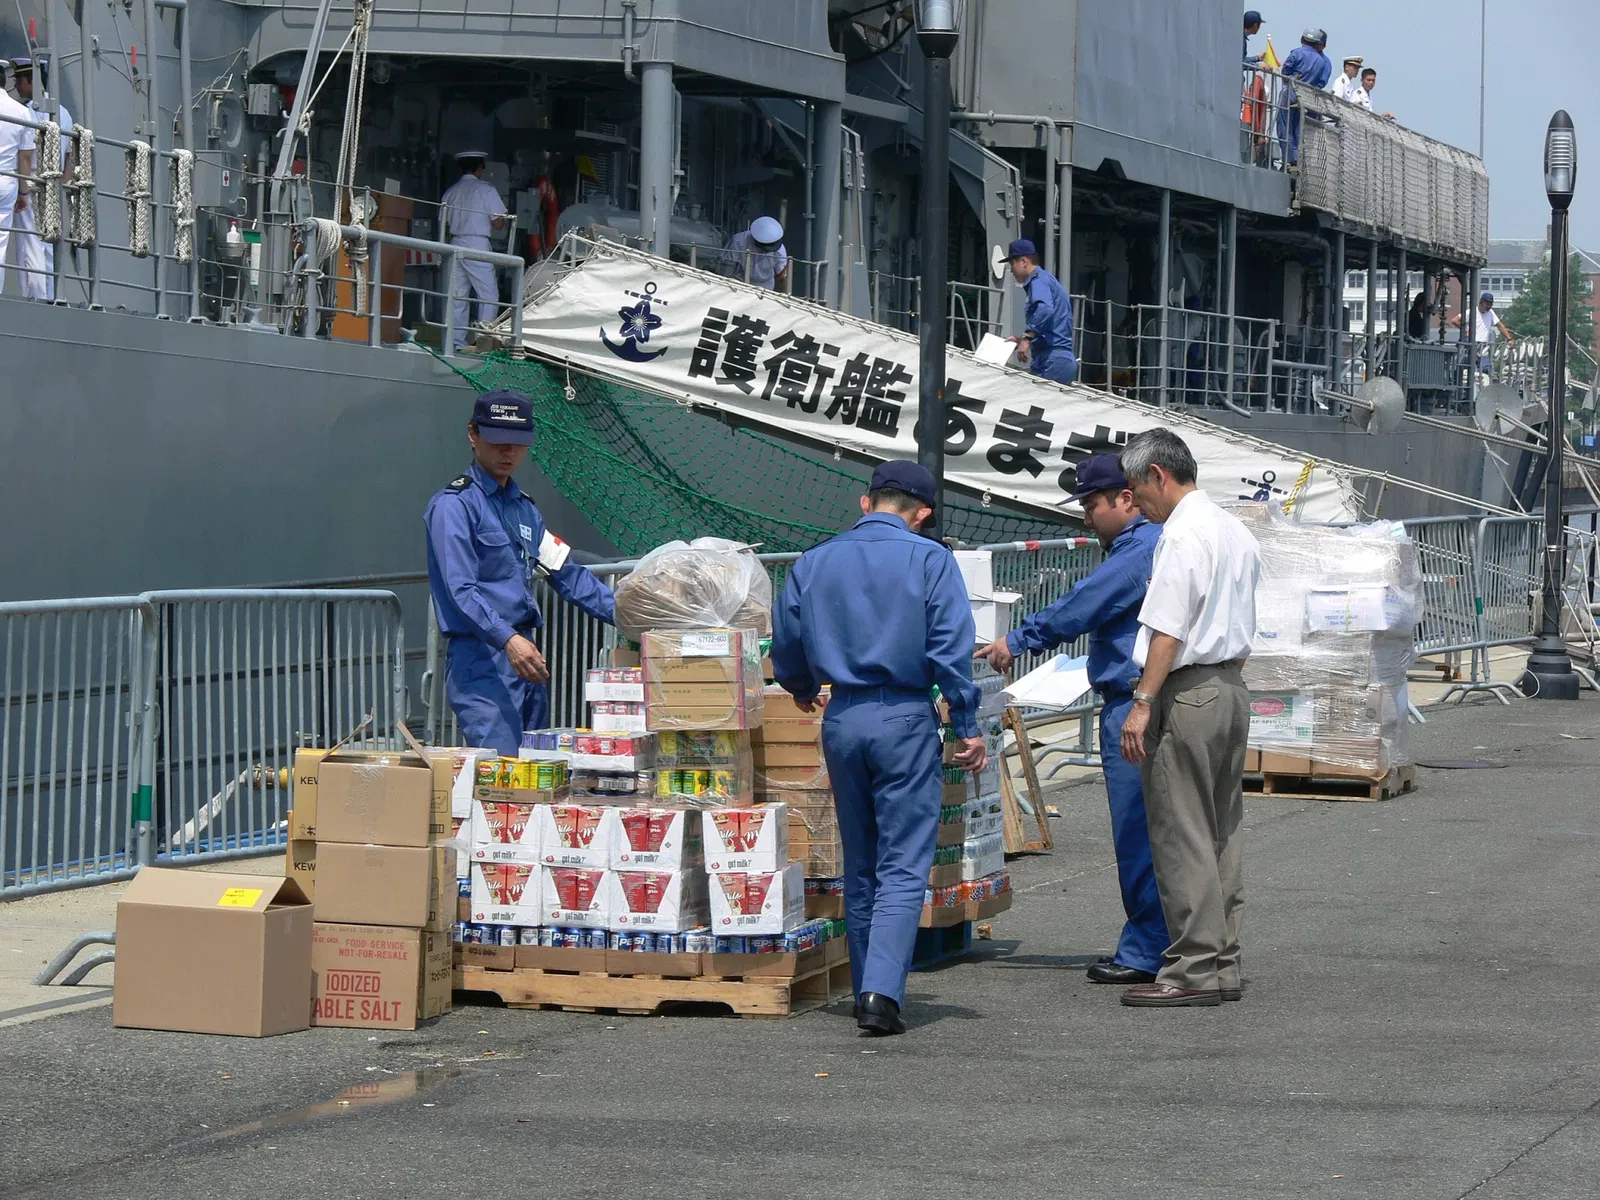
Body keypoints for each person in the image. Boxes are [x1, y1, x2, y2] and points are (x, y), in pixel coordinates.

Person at [771, 460, 987, 1037]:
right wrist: (967, 723)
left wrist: (800, 686)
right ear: (923, 514)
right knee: (903, 862)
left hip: (842, 715)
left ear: (866, 503)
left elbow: (786, 639)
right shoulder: (930, 559)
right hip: (905, 715)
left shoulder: (814, 560)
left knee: (861, 861)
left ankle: (866, 983)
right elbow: (950, 648)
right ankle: (880, 994)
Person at [974, 454, 1168, 984]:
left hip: (1135, 701)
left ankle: (1146, 950)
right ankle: (1179, 942)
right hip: (1151, 696)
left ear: (1126, 499)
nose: (1086, 517)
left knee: (1139, 831)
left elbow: (1084, 604)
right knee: (1168, 830)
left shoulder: (1140, 549)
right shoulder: (1161, 542)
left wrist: (1019, 639)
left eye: (1092, 504)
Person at [1116, 429, 1260, 1009]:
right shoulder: (1234, 529)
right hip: (1230, 685)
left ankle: (1191, 967)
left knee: (1181, 830)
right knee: (1221, 830)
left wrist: (1142, 702)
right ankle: (1222, 962)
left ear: (1158, 475)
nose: (1135, 504)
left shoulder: (1180, 535)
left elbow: (1168, 630)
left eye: (1136, 489)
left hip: (1188, 690)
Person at [424, 391, 616, 754]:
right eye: (497, 440)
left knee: (536, 769)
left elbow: (566, 572)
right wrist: (509, 640)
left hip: (525, 660)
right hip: (484, 659)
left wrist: (630, 615)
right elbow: (460, 590)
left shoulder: (523, 508)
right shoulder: (454, 507)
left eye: (517, 442)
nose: (508, 451)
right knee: (501, 770)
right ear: (473, 434)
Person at [11, 58, 70, 301]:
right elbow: (70, 155)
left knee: (30, 243)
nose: (16, 86)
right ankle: (50, 294)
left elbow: (25, 155)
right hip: (53, 186)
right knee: (48, 243)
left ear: (31, 81)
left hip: (32, 182)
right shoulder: (63, 112)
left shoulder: (28, 112)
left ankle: (35, 297)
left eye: (19, 80)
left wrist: (22, 190)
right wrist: (61, 185)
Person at [440, 152, 508, 351]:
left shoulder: (451, 192)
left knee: (457, 296)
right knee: (488, 295)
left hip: (455, 244)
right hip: (477, 244)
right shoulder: (486, 189)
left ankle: (456, 344)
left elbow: (444, 224)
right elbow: (497, 223)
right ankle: (483, 342)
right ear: (480, 168)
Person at [1001, 238, 1078, 384]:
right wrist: (1020, 340)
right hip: (1056, 359)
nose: (1011, 270)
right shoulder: (1045, 279)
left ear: (1024, 261)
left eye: (1012, 264)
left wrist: (1027, 339)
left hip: (1052, 360)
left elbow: (1045, 309)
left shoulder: (1039, 280)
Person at [0, 67, 36, 295]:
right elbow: (25, 157)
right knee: (0, 242)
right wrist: (24, 193)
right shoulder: (22, 112)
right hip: (7, 179)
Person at [1278, 28, 1331, 165]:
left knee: (1285, 127)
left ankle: (1288, 160)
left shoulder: (1296, 53)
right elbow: (1320, 82)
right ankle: (1297, 159)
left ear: (1302, 39)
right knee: (1299, 129)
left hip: (1290, 92)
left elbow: (1285, 71)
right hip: (1307, 97)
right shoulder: (1321, 61)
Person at [1450, 292, 1516, 372]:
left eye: (1490, 304)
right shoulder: (1471, 312)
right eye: (1487, 304)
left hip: (1483, 347)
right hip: (1470, 344)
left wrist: (1509, 339)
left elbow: (1500, 325)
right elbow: (1454, 321)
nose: (1489, 306)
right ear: (1481, 302)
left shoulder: (1490, 313)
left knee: (1485, 369)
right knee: (1465, 367)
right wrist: (1465, 331)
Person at [721, 215, 789, 290]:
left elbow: (783, 277)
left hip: (765, 287)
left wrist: (784, 294)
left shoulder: (779, 250)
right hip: (738, 283)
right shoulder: (738, 241)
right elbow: (726, 267)